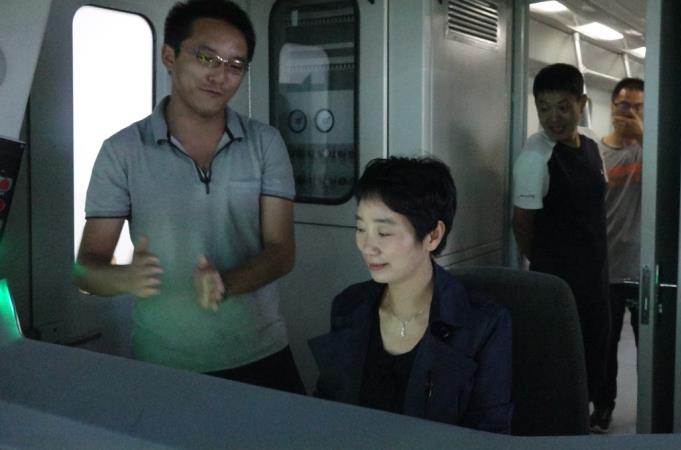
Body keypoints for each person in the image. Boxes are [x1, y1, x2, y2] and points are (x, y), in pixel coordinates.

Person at [73, 0, 305, 394]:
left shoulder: (264, 143)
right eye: (206, 57)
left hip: (261, 351)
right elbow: (85, 269)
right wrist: (124, 277)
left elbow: (281, 251)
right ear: (169, 56)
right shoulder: (122, 151)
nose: (220, 75)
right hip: (165, 362)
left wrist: (226, 283)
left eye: (235, 65)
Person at [309, 157, 513, 433]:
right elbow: (328, 409)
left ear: (433, 236)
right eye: (360, 229)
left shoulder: (483, 324)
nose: (367, 246)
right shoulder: (349, 306)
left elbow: (490, 434)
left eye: (384, 232)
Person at [511, 63, 610, 421]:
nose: (553, 118)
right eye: (544, 108)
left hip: (594, 274)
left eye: (563, 107)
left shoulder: (592, 144)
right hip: (557, 281)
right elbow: (522, 222)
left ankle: (588, 414)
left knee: (595, 351)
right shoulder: (535, 157)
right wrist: (544, 262)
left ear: (582, 103)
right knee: (562, 363)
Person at [591, 77, 644, 433]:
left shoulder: (649, 150)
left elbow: (671, 174)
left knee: (647, 346)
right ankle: (603, 406)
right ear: (612, 107)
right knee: (605, 345)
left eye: (639, 108)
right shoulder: (595, 153)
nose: (630, 114)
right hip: (606, 265)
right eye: (624, 106)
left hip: (643, 270)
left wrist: (643, 134)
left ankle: (650, 405)